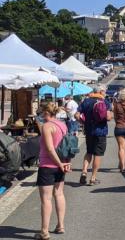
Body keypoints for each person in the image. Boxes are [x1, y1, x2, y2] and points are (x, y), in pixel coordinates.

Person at [36, 102, 72, 240]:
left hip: (48, 165)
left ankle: (44, 231)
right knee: (59, 194)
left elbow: (50, 149)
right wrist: (65, 163)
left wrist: (59, 164)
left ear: (45, 113)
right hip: (61, 164)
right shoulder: (62, 125)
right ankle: (60, 225)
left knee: (46, 199)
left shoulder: (47, 126)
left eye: (41, 113)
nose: (40, 116)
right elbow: (68, 145)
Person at [76, 85, 111, 186]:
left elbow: (77, 115)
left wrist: (83, 123)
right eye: (104, 91)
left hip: (89, 131)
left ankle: (84, 171)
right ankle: (93, 178)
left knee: (89, 152)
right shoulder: (105, 102)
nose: (105, 93)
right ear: (100, 92)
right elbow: (108, 117)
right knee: (98, 154)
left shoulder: (86, 101)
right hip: (101, 131)